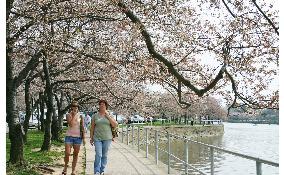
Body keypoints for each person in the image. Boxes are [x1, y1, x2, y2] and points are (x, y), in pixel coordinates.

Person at [90, 99, 118, 175]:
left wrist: (108, 116)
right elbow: (92, 127)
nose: (102, 106)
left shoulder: (110, 115)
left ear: (106, 106)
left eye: (103, 104)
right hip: (97, 138)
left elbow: (115, 125)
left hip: (107, 138)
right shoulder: (94, 116)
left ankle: (102, 169)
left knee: (104, 155)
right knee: (98, 154)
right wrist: (91, 138)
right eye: (100, 104)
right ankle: (97, 171)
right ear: (99, 106)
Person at [62, 101, 86, 175]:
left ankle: (73, 170)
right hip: (69, 136)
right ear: (71, 108)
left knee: (75, 154)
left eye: (76, 107)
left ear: (78, 108)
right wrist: (74, 115)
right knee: (67, 153)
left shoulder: (81, 116)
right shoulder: (68, 115)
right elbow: (71, 124)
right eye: (74, 106)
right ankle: (65, 167)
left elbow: (82, 127)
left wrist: (84, 138)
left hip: (78, 137)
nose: (75, 108)